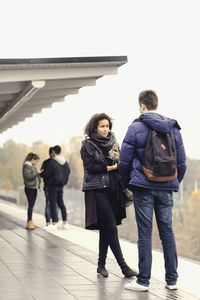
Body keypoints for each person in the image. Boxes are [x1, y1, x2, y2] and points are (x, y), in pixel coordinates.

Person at [118, 90, 186, 292]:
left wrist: (128, 183)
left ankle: (143, 281)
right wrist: (172, 182)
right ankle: (172, 280)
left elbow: (124, 162)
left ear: (142, 106)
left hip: (143, 187)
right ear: (156, 104)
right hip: (166, 187)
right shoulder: (173, 128)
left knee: (145, 234)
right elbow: (181, 163)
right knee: (167, 232)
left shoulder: (135, 127)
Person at [80, 113, 137, 278]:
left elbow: (121, 163)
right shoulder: (87, 145)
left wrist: (120, 159)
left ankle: (101, 265)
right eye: (102, 126)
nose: (105, 130)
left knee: (106, 229)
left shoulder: (114, 142)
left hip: (113, 189)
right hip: (97, 190)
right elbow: (92, 168)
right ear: (94, 128)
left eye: (107, 126)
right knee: (111, 228)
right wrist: (113, 166)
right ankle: (123, 267)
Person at [41, 145, 70, 230]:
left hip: (52, 186)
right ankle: (65, 222)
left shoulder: (52, 162)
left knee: (53, 203)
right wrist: (64, 181)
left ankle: (54, 223)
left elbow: (46, 174)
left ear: (53, 152)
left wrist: (40, 173)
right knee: (61, 203)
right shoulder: (65, 162)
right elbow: (68, 172)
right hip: (61, 186)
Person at [22, 152, 41, 230]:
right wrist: (37, 173)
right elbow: (28, 176)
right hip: (29, 188)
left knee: (32, 205)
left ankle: (30, 221)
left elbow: (36, 176)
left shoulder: (32, 167)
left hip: (34, 188)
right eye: (36, 161)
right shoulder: (26, 166)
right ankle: (29, 222)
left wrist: (39, 181)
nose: (36, 163)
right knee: (30, 205)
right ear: (32, 159)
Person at [40, 147, 57, 226]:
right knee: (49, 203)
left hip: (54, 186)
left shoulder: (55, 162)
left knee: (53, 203)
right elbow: (42, 173)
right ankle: (48, 220)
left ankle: (53, 220)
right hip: (48, 186)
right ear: (52, 153)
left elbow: (42, 173)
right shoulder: (46, 162)